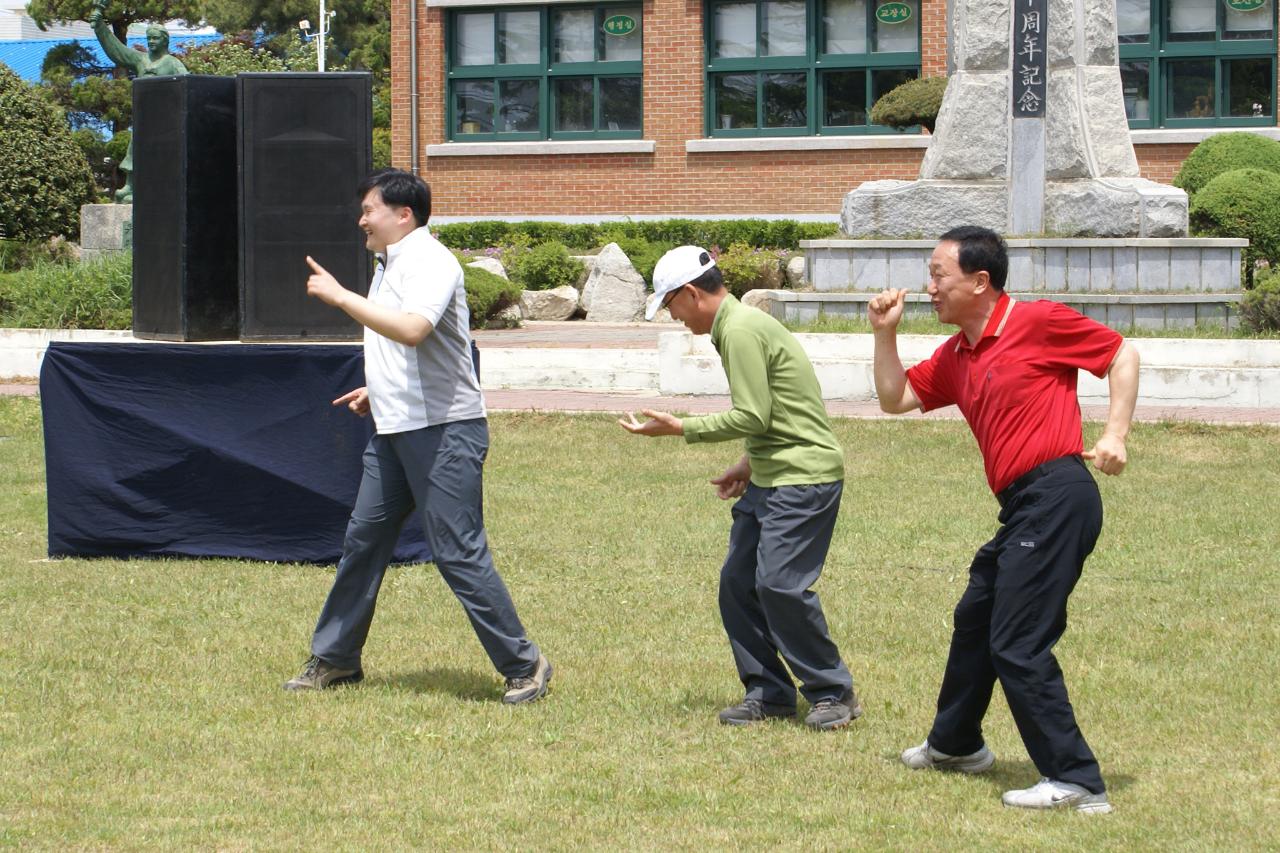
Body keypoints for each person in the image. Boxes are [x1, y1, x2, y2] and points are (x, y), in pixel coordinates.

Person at [868, 225, 1139, 813]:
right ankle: (956, 744)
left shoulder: (1036, 321)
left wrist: (1115, 433)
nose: (930, 286)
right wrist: (883, 336)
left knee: (1017, 640)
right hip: (1022, 505)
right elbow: (895, 400)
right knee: (977, 616)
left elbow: (1121, 354)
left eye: (940, 274)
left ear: (980, 281)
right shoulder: (958, 354)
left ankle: (1077, 780)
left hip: (1059, 493)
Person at [284, 168, 551, 704]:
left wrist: (339, 297)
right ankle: (336, 659)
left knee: (456, 550)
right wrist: (375, 389)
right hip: (395, 428)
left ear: (403, 215)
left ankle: (526, 664)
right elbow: (401, 343)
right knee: (364, 541)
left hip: (446, 431)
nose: (361, 219)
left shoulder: (431, 261)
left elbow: (412, 329)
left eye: (369, 210)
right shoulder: (391, 263)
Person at [620, 246, 861, 730]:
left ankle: (833, 692)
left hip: (803, 477)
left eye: (671, 304)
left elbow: (753, 414)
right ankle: (769, 693)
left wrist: (682, 429)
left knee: (778, 585)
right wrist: (747, 466)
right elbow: (781, 410)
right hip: (773, 474)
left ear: (691, 293)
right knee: (738, 584)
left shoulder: (742, 330)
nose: (673, 315)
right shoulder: (735, 327)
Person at [88, 0, 188, 203]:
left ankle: (165, 189)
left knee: (164, 155)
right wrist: (100, 27)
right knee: (135, 148)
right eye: (149, 38)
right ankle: (131, 186)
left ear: (165, 41)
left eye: (155, 39)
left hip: (167, 121)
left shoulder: (173, 63)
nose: (151, 42)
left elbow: (189, 86)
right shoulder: (140, 60)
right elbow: (116, 50)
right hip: (144, 118)